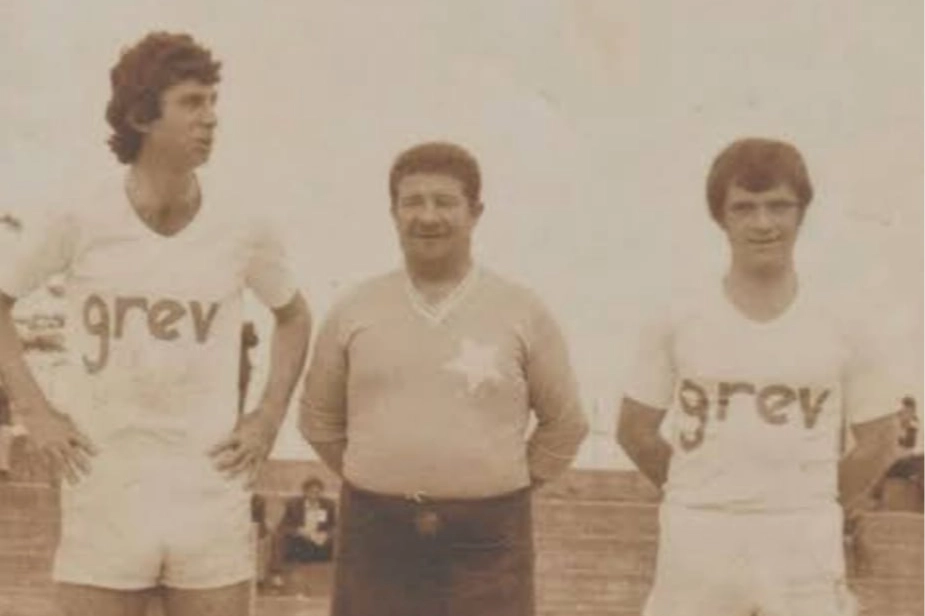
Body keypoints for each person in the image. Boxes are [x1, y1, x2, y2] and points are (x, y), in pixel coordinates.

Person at [0, 32, 310, 616]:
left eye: (213, 102)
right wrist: (35, 412)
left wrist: (267, 416)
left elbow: (293, 316)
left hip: (208, 485)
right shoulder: (79, 213)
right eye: (192, 102)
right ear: (142, 115)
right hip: (105, 483)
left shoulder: (243, 225)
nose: (211, 118)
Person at [300, 141, 588, 616]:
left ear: (475, 213)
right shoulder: (355, 308)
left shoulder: (521, 310)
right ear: (393, 213)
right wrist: (383, 475)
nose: (428, 216)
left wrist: (499, 481)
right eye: (413, 202)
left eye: (445, 202)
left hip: (488, 543)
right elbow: (318, 419)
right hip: (377, 537)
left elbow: (566, 423)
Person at [617, 137, 901, 616]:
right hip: (699, 535)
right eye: (744, 208)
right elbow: (635, 430)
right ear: (721, 217)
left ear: (801, 213)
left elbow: (879, 440)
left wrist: (812, 499)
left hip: (803, 537)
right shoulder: (678, 315)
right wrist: (701, 489)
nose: (763, 223)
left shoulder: (845, 320)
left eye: (779, 206)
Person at [277, 476, 337, 564]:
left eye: (317, 492)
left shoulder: (328, 505)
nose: (314, 496)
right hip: (300, 542)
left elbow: (335, 526)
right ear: (305, 492)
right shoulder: (293, 506)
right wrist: (298, 531)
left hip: (320, 543)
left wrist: (326, 534)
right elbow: (283, 526)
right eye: (311, 492)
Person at [239, 321, 259, 416]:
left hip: (243, 364)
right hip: (241, 363)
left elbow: (253, 342)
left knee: (242, 391)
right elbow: (253, 341)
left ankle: (240, 413)